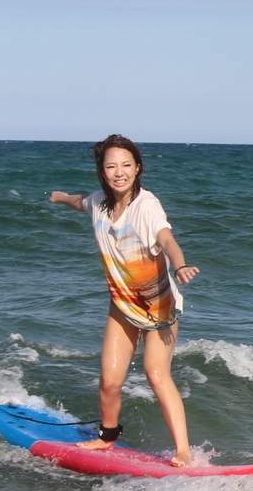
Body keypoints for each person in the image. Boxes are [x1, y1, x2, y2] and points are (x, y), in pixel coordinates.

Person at [49, 135, 200, 466]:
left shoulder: (147, 207)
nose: (119, 172)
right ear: (102, 172)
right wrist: (60, 198)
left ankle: (184, 451)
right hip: (122, 306)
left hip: (159, 309)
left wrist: (181, 265)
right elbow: (80, 202)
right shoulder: (99, 203)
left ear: (138, 168)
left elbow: (166, 238)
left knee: (156, 374)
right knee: (109, 381)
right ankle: (107, 439)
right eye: (111, 166)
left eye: (126, 165)